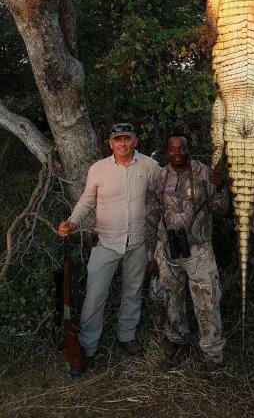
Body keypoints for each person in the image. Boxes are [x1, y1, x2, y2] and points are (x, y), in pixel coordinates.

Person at [58, 123, 159, 362]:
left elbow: (161, 197)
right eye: (117, 140)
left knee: (133, 291)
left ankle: (127, 336)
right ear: (110, 143)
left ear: (135, 141)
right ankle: (87, 347)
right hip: (105, 242)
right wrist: (72, 223)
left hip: (138, 242)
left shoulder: (150, 166)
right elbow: (87, 199)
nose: (122, 144)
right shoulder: (98, 169)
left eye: (126, 138)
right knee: (95, 295)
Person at [147, 131, 228, 369]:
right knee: (173, 298)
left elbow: (221, 210)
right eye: (172, 149)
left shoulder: (204, 173)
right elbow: (151, 217)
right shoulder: (159, 177)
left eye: (181, 148)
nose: (177, 153)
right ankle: (178, 344)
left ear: (188, 148)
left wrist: (221, 188)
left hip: (199, 249)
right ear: (166, 151)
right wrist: (152, 254)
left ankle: (212, 355)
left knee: (207, 300)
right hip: (168, 248)